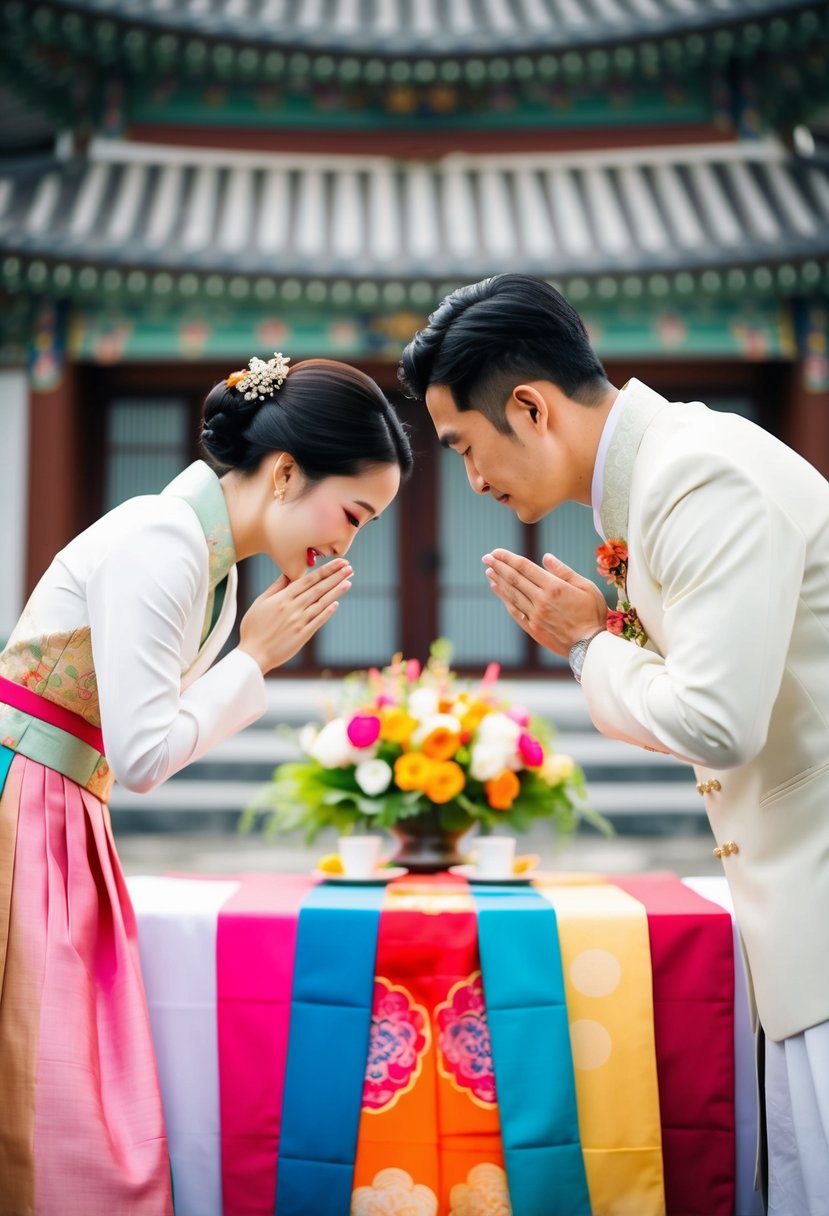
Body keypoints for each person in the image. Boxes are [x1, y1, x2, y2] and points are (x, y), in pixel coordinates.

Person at [399, 273, 829, 1215]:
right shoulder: (666, 472)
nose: (471, 480)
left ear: (528, 406)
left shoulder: (697, 472)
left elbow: (717, 721)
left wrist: (588, 644)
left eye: (465, 447)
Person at [0, 354, 412, 1213]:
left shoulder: (207, 559)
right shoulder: (164, 541)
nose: (347, 542)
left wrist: (246, 656)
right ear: (287, 471)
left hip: (58, 804)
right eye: (354, 512)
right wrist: (255, 658)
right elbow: (147, 754)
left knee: (52, 1076)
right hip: (28, 801)